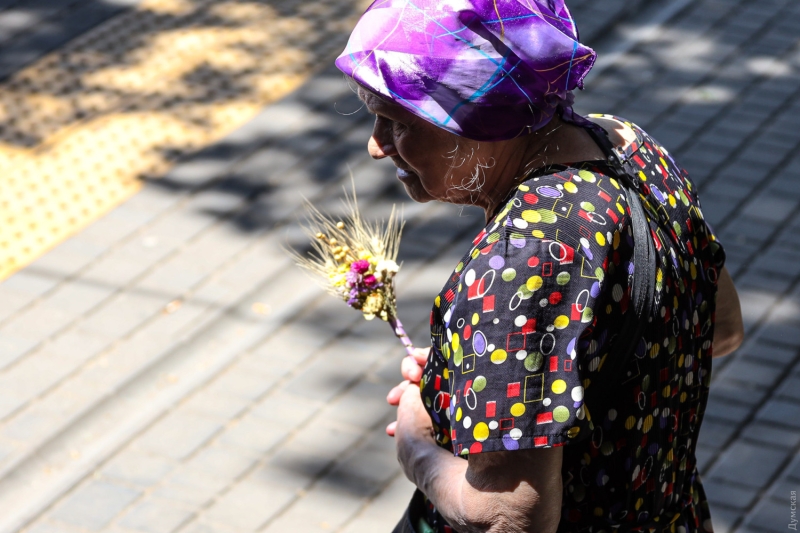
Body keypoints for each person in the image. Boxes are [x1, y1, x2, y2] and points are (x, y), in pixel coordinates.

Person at [334, 1, 744, 532]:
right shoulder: (630, 147)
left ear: (481, 117)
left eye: (396, 122)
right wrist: (496, 374)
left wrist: (419, 451)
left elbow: (510, 517)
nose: (375, 147)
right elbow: (722, 329)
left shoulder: (521, 256)